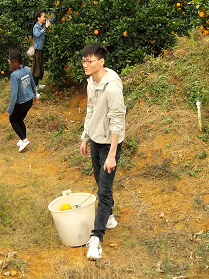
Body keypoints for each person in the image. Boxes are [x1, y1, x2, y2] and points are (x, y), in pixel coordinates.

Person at [78, 43, 125, 262]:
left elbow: (117, 121)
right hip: (96, 141)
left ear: (101, 62)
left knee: (104, 192)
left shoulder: (112, 87)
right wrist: (85, 137)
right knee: (99, 182)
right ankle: (109, 217)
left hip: (109, 145)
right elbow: (90, 110)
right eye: (84, 61)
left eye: (90, 61)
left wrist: (113, 154)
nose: (85, 64)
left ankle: (96, 240)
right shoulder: (91, 82)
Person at [6, 49, 38, 153]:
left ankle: (24, 140)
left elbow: (14, 95)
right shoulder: (27, 70)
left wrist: (10, 110)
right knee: (20, 120)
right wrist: (35, 96)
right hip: (29, 101)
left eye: (9, 59)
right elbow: (33, 84)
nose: (8, 61)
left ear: (13, 61)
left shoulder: (14, 75)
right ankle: (22, 139)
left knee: (13, 120)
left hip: (21, 103)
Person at [31, 10, 54, 90]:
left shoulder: (43, 24)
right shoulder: (36, 27)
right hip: (37, 50)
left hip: (41, 50)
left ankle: (37, 85)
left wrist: (58, 14)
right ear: (38, 18)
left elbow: (50, 21)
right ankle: (34, 88)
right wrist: (46, 27)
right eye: (43, 17)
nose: (45, 18)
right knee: (36, 68)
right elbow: (37, 34)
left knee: (40, 68)